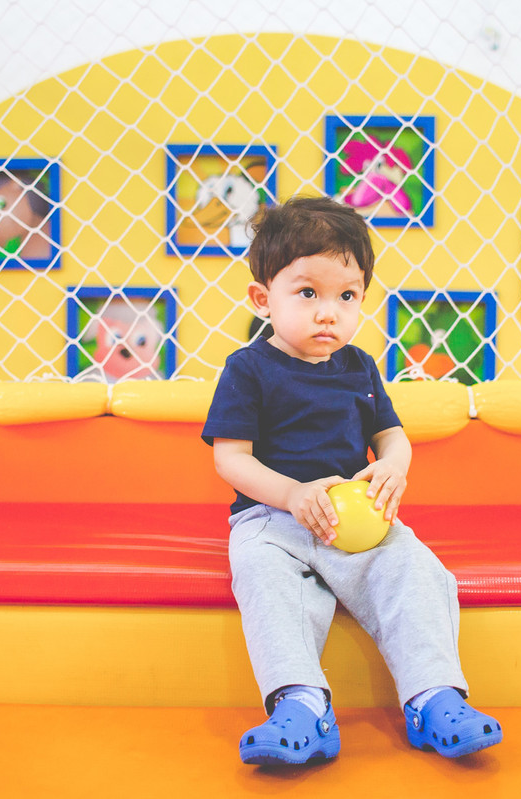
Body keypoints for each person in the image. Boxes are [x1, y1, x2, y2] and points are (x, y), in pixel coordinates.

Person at [201, 196, 502, 766]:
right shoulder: (248, 368)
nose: (327, 312)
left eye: (347, 295)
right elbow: (230, 458)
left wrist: (393, 465)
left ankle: (434, 696)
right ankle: (301, 705)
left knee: (415, 569)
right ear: (263, 299)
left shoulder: (360, 367)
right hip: (272, 520)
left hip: (356, 518)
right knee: (264, 577)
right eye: (307, 293)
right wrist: (290, 494)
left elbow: (392, 435)